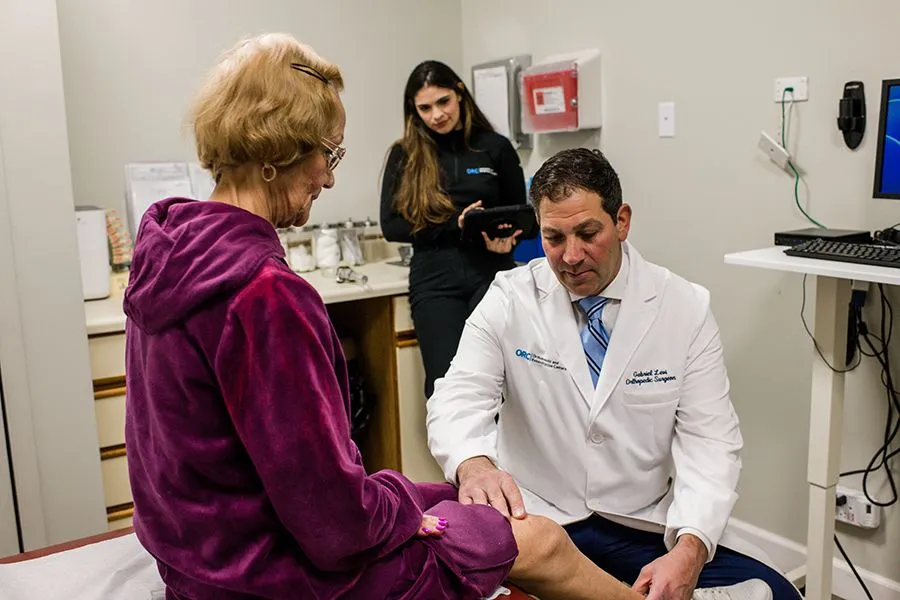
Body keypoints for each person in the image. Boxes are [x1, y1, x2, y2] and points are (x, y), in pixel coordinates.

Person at [122, 33, 670, 600]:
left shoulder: (169, 257)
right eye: (329, 154)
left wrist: (409, 497)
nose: (329, 178)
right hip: (272, 576)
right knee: (540, 539)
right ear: (278, 151)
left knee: (456, 496)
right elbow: (334, 525)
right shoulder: (264, 294)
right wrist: (408, 517)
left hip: (196, 560)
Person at [427, 148, 800, 600]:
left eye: (588, 233)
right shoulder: (510, 297)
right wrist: (473, 463)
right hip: (538, 515)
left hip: (636, 523)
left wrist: (690, 549)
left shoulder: (683, 308)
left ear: (621, 221)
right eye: (553, 238)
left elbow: (710, 441)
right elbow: (458, 395)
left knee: (778, 592)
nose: (571, 256)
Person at [380, 60, 527, 398]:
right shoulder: (404, 155)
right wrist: (455, 224)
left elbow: (518, 214)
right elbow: (392, 226)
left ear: (459, 93)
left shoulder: (495, 147)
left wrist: (508, 238)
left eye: (443, 102)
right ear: (413, 110)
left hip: (491, 271)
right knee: (446, 385)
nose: (436, 115)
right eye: (425, 108)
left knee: (498, 381)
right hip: (435, 278)